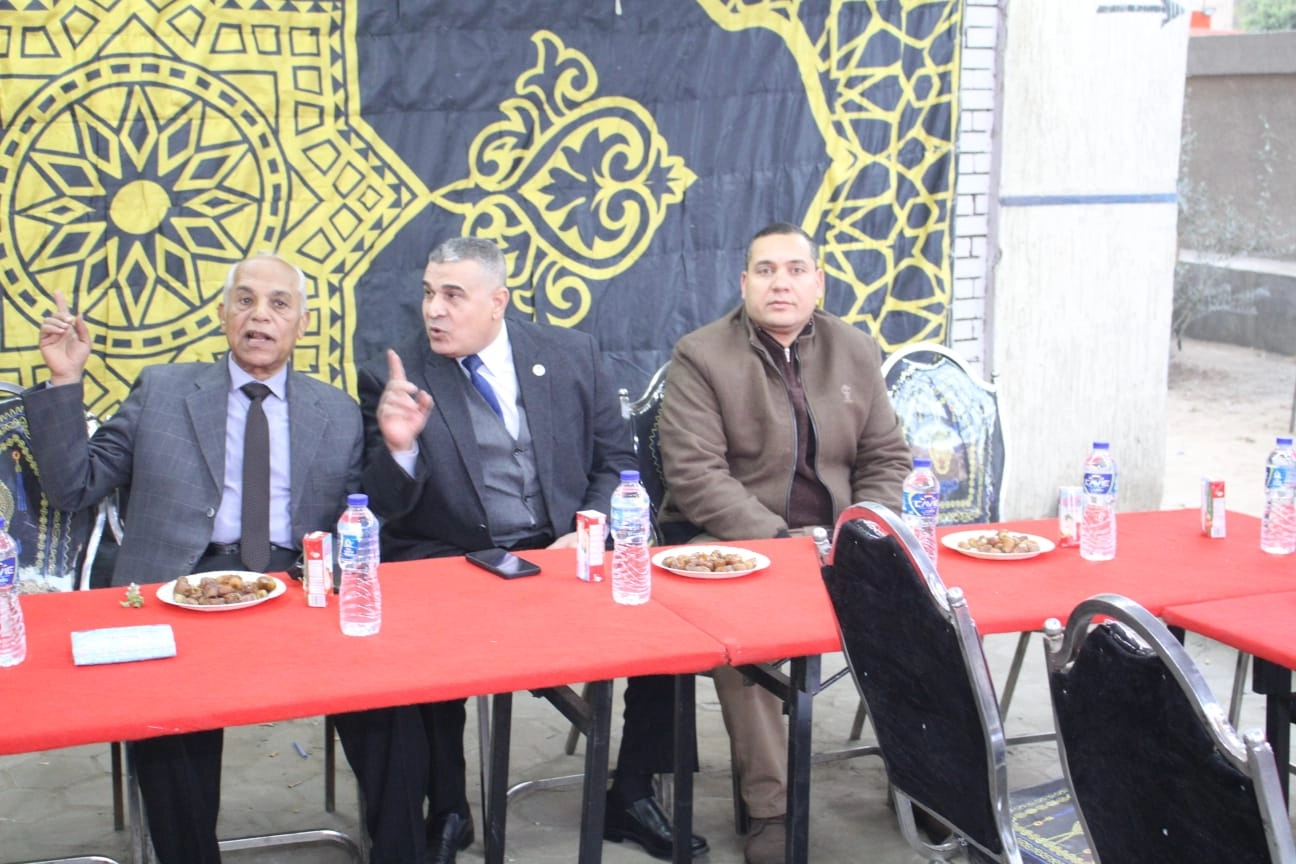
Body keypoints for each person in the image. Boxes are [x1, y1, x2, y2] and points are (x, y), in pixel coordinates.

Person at [332, 236, 707, 863]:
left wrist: (588, 526)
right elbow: (380, 508)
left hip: (562, 550)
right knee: (425, 638)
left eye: (453, 295)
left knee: (670, 632)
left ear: (498, 302)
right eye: (428, 293)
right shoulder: (394, 376)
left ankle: (633, 792)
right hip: (453, 558)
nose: (434, 310)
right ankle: (449, 808)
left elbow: (615, 462)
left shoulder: (571, 354)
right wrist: (400, 448)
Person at [24, 253, 363, 864]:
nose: (260, 316)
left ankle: (405, 845)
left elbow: (361, 521)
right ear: (223, 313)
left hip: (293, 592)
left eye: (279, 304)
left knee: (387, 699)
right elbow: (74, 487)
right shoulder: (162, 390)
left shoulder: (336, 411)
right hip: (175, 592)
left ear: (303, 323)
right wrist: (64, 382)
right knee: (172, 719)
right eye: (245, 300)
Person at [656, 221, 912, 864]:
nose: (781, 283)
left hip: (841, 542)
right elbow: (695, 476)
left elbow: (885, 457)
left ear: (818, 282)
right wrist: (779, 540)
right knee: (743, 637)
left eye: (796, 270)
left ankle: (929, 787)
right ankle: (770, 808)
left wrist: (862, 531)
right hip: (739, 541)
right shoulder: (700, 355)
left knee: (933, 618)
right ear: (744, 282)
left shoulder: (855, 349)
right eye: (766, 270)